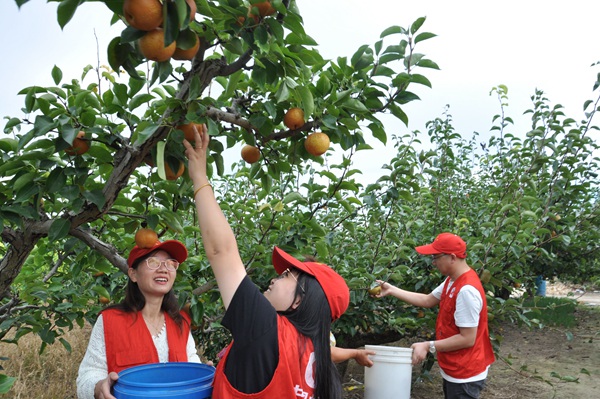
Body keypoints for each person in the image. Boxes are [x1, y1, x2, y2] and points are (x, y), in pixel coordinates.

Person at [183, 125, 350, 399]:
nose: (274, 278)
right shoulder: (318, 358)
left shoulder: (266, 328)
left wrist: (199, 177)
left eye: (286, 275)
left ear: (300, 300)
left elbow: (221, 251)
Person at [76, 239, 203, 399]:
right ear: (133, 274)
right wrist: (100, 386)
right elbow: (88, 376)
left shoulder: (180, 322)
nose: (164, 269)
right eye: (153, 262)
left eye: (170, 263)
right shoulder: (110, 320)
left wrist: (204, 377)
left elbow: (192, 362)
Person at [375, 232, 495, 399]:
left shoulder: (466, 290)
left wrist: (428, 345)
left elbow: (468, 338)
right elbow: (427, 300)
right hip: (456, 366)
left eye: (436, 257)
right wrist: (392, 290)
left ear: (452, 257)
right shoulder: (452, 279)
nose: (433, 262)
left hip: (465, 372)